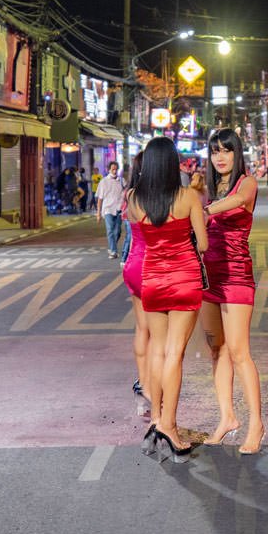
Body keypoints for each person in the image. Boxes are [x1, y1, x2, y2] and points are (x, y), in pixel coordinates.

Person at [124, 136, 207, 463]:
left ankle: (156, 420)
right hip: (184, 279)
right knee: (175, 354)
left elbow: (138, 238)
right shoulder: (188, 197)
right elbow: (202, 244)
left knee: (157, 351)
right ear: (173, 165)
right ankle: (169, 427)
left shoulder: (133, 199)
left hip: (152, 280)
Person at [199, 129, 265, 455]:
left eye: (226, 150)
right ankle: (227, 417)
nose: (220, 157)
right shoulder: (207, 188)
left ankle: (256, 425)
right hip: (209, 278)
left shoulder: (246, 184)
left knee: (240, 352)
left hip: (237, 276)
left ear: (237, 154)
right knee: (217, 350)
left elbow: (238, 202)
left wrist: (205, 210)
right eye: (215, 152)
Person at [121, 152, 151, 418]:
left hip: (133, 264)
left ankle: (142, 386)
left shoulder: (131, 195)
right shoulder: (158, 198)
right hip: (154, 267)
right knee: (160, 335)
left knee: (142, 329)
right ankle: (154, 389)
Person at [95, 162, 125, 260]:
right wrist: (98, 213)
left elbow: (126, 193)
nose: (115, 171)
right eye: (113, 169)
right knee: (110, 230)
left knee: (118, 231)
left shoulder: (122, 181)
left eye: (116, 169)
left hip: (119, 209)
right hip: (108, 209)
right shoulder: (103, 182)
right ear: (109, 169)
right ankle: (113, 251)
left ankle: (112, 246)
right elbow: (100, 198)